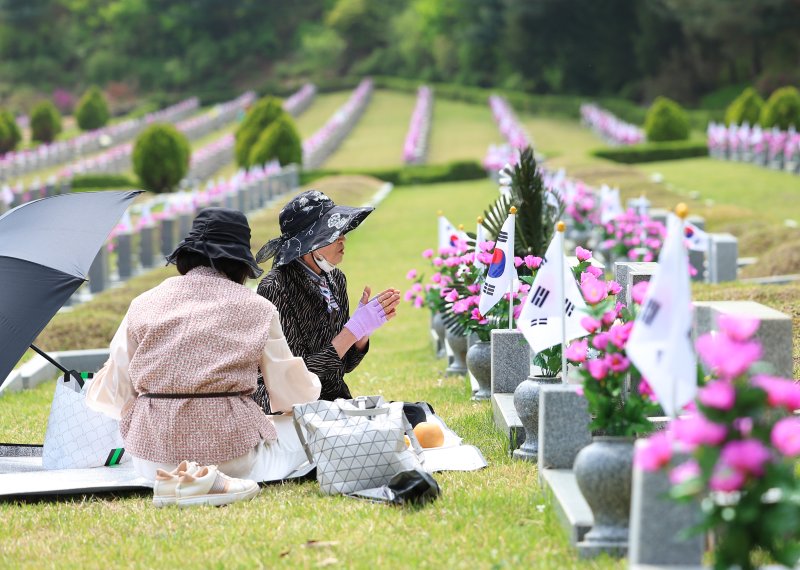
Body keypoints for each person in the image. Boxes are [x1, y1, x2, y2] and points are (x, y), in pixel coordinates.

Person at [86, 207, 321, 507]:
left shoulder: (143, 303)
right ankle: (214, 482)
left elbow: (111, 395)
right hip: (233, 455)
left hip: (151, 462)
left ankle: (186, 483)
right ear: (241, 263)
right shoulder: (258, 308)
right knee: (304, 432)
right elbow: (291, 395)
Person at [254, 189, 400, 405]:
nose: (343, 239)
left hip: (335, 400)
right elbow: (297, 378)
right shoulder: (275, 287)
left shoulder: (336, 279)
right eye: (332, 233)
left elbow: (344, 365)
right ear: (309, 243)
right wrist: (352, 331)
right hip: (292, 408)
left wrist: (362, 334)